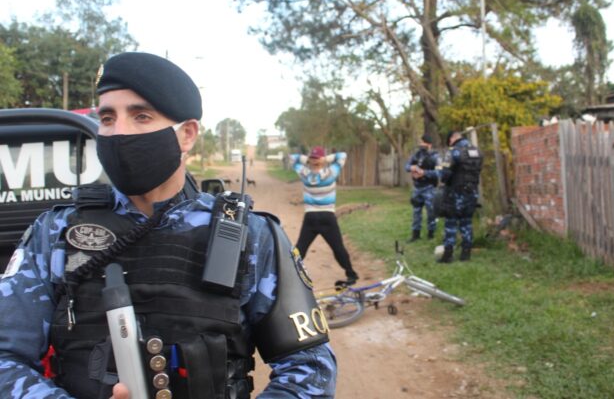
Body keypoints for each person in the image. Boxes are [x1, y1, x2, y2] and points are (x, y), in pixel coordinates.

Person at [0, 52, 336, 399]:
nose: (119, 132)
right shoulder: (55, 233)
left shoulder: (251, 235)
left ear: (186, 135)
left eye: (141, 116)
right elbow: (5, 357)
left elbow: (310, 368)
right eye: (108, 118)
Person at [290, 147, 359, 287]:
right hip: (328, 217)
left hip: (310, 217)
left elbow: (292, 158)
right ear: (322, 160)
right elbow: (342, 155)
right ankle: (351, 274)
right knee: (338, 248)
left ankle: (288, 274)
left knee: (300, 248)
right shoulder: (331, 173)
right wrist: (324, 159)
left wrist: (309, 160)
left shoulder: (305, 174)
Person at [436, 130, 483, 263]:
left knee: (451, 222)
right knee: (466, 222)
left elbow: (444, 175)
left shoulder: (453, 152)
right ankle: (466, 253)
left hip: (455, 193)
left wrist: (440, 171)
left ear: (452, 139)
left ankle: (448, 255)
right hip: (472, 193)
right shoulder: (477, 152)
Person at [405, 134, 440, 242]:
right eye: (420, 142)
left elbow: (439, 173)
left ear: (429, 144)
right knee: (416, 212)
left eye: (423, 142)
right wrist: (412, 168)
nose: (421, 144)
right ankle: (415, 234)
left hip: (429, 188)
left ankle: (431, 234)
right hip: (417, 188)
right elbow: (406, 166)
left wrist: (424, 173)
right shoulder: (417, 155)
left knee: (431, 212)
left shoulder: (436, 156)